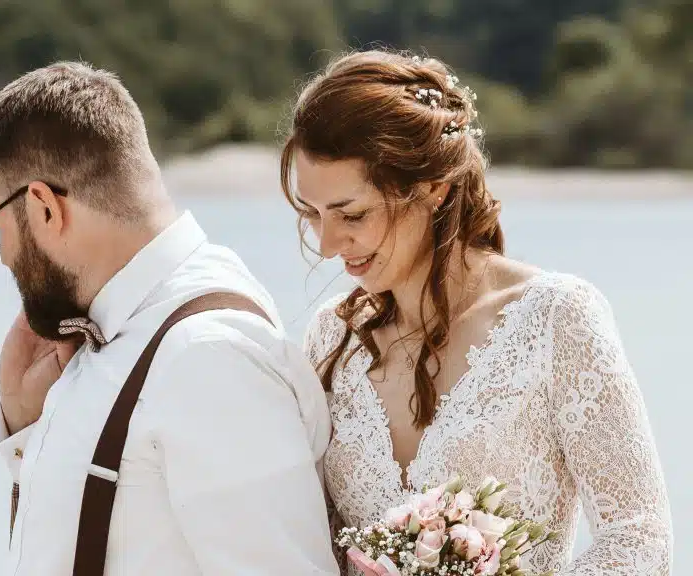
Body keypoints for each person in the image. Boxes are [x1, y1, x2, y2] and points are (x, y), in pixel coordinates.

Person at [281, 50, 673, 574]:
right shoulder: (333, 336)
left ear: (433, 188)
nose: (329, 244)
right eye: (313, 215)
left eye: (352, 214)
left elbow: (638, 538)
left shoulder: (556, 318)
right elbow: (312, 543)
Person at [0, 61, 339, 575]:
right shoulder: (117, 328)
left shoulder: (209, 355)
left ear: (44, 207)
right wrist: (29, 422)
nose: (4, 257)